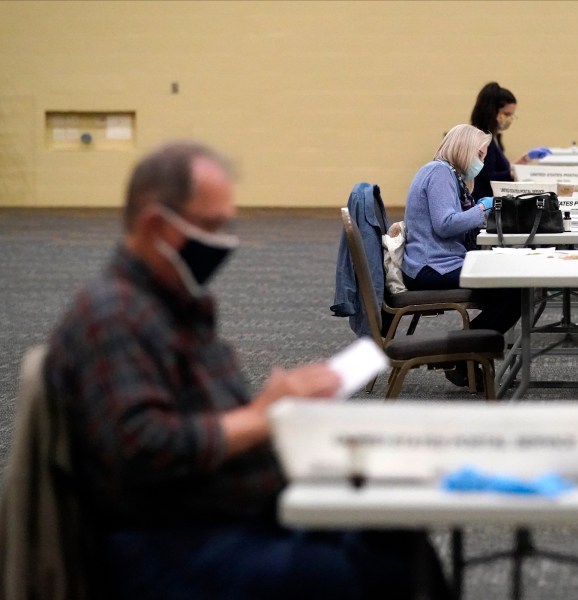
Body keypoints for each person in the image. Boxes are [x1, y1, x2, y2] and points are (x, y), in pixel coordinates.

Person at [42, 140, 448, 599]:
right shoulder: (113, 315)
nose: (224, 242)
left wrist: (276, 405)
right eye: (211, 227)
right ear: (156, 225)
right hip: (172, 542)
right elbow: (145, 447)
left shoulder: (172, 304)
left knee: (399, 537)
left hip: (227, 515)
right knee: (353, 571)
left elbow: (207, 421)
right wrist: (264, 414)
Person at [402, 124, 521, 388]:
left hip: (440, 261)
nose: (481, 162)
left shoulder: (448, 174)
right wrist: (482, 209)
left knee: (509, 288)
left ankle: (465, 360)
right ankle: (459, 355)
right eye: (479, 155)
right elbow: (445, 224)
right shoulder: (439, 173)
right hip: (432, 266)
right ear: (464, 149)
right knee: (512, 293)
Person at [469, 81, 550, 199]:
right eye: (506, 114)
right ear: (492, 111)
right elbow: (488, 177)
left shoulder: (494, 137)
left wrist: (526, 158)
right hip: (484, 202)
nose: (510, 119)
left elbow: (503, 170)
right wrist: (516, 174)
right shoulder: (482, 138)